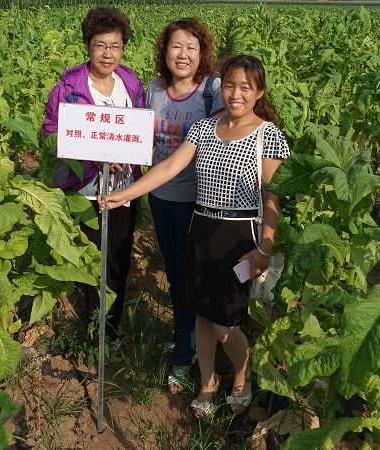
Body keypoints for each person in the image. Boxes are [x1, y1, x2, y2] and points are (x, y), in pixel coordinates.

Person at [100, 54, 290, 418]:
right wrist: (127, 193)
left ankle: (241, 371)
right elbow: (171, 166)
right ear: (222, 87)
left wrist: (264, 247)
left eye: (245, 88)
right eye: (230, 85)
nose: (236, 94)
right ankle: (207, 382)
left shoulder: (269, 135)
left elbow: (271, 197)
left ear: (259, 92)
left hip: (239, 237)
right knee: (202, 314)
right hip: (201, 228)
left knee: (224, 322)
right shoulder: (205, 128)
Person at [42, 6, 145, 359]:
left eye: (115, 46)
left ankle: (111, 331)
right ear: (88, 45)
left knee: (117, 258)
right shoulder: (68, 88)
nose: (108, 53)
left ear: (123, 48)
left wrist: (122, 156)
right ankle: (92, 329)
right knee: (89, 258)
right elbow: (53, 132)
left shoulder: (131, 86)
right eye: (101, 45)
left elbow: (139, 134)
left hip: (123, 186)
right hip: (82, 186)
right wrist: (95, 154)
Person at [146, 18, 224, 394]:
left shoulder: (213, 91)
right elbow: (141, 136)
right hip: (161, 198)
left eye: (191, 47)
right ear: (164, 51)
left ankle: (182, 357)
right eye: (176, 46)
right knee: (175, 274)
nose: (183, 54)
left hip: (199, 201)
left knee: (188, 281)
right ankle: (186, 338)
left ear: (201, 54)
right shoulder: (153, 90)